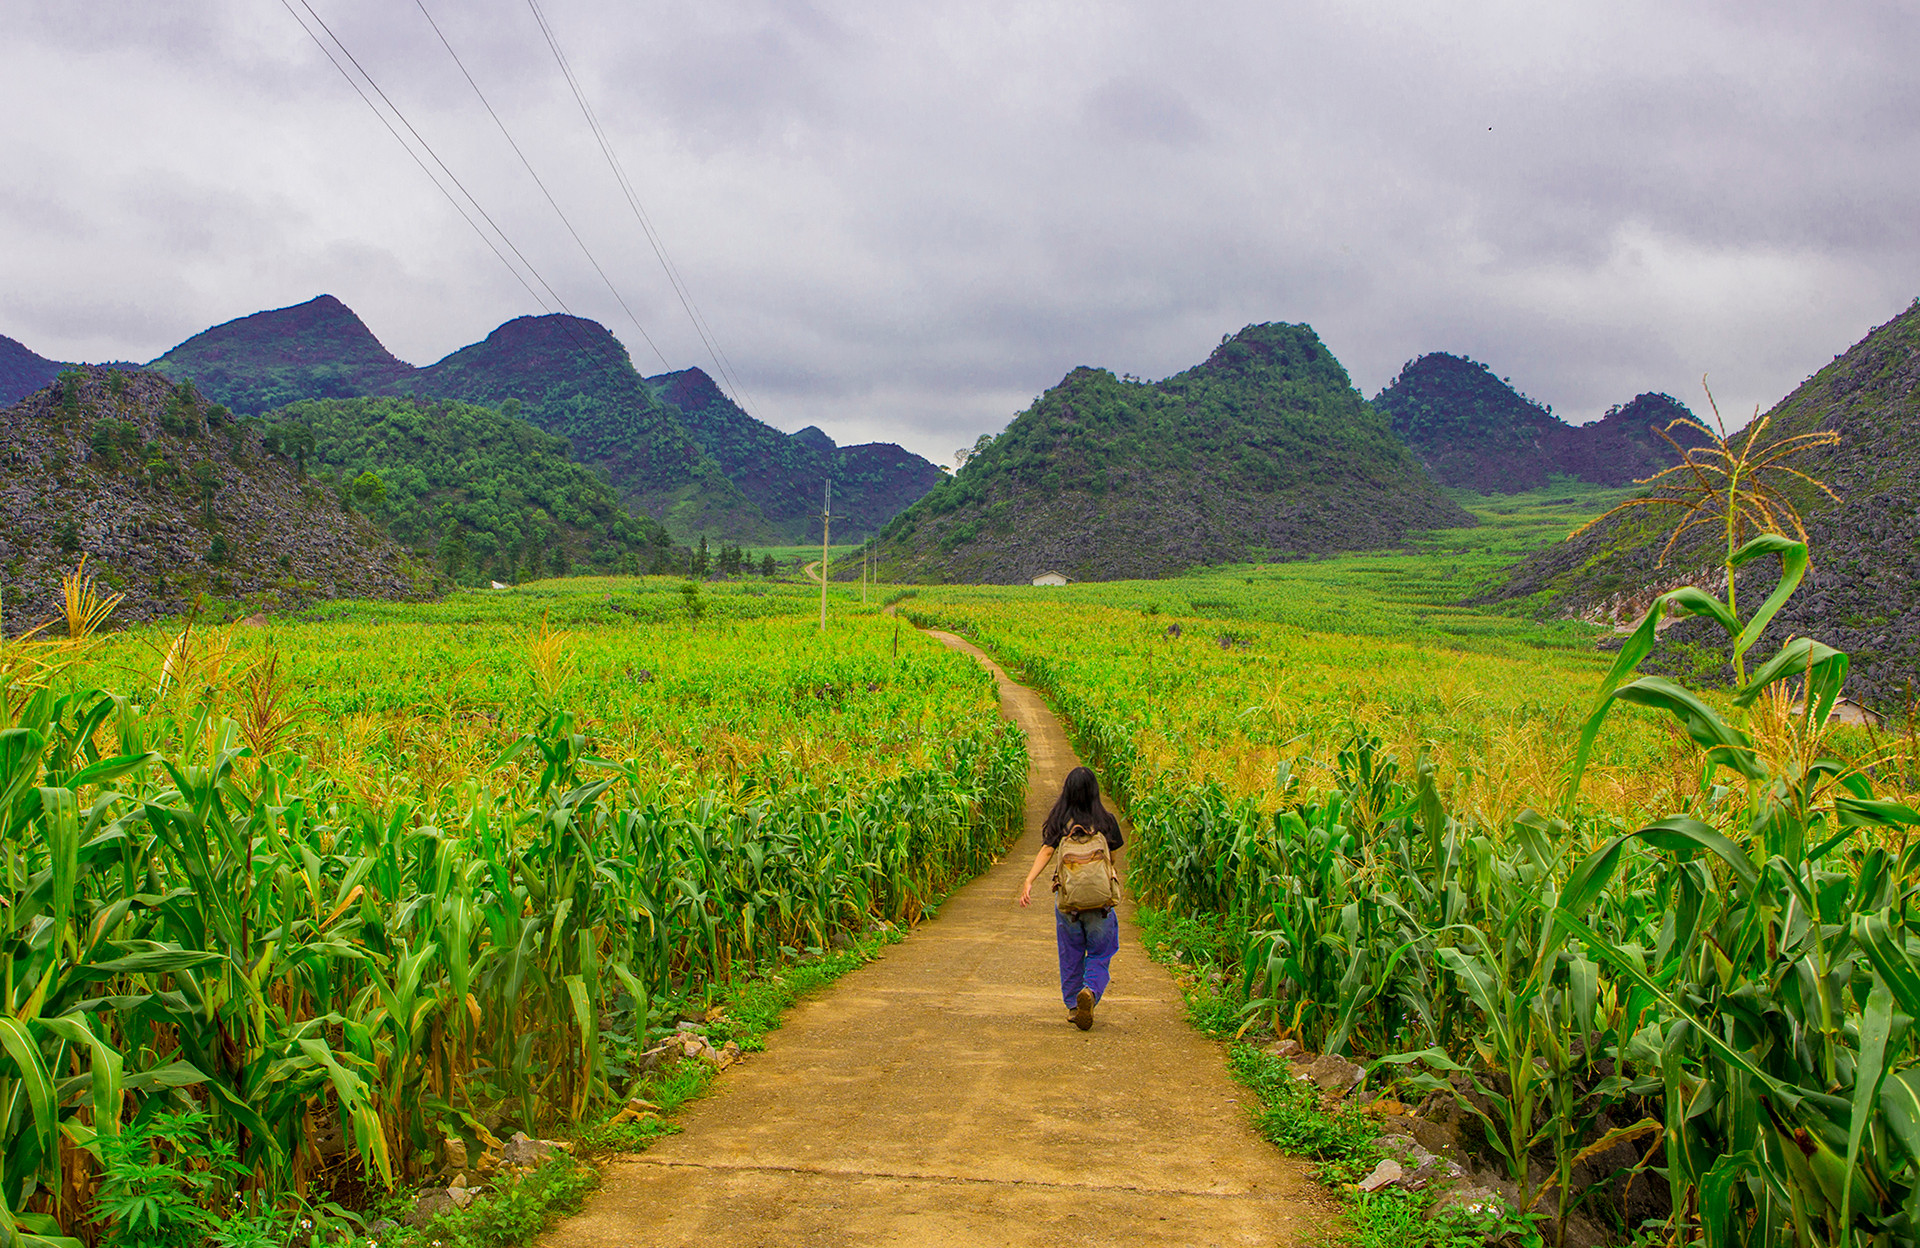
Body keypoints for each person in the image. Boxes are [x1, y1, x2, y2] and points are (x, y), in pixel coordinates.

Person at [1018, 766, 1124, 1030]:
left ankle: (1074, 1006)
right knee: (1101, 952)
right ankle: (1090, 990)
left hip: (1068, 904)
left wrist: (1029, 880)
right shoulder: (1106, 820)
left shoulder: (1061, 822)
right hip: (1100, 904)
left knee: (1070, 953)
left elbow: (1046, 851)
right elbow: (1112, 857)